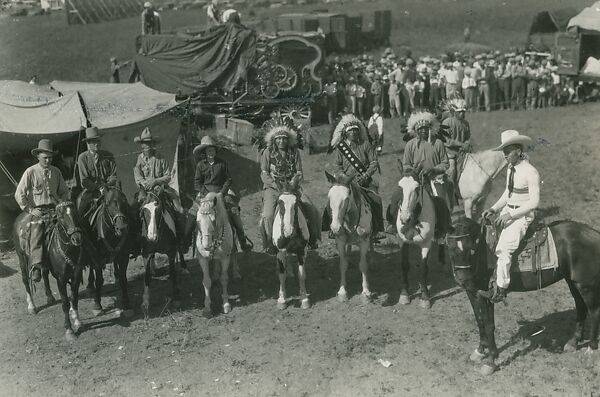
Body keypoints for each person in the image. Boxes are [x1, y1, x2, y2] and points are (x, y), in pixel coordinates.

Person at [479, 130, 539, 303]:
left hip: (523, 216)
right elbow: (508, 193)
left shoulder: (530, 172)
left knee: (504, 249)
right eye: (504, 151)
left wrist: (511, 215)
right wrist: (494, 208)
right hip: (508, 212)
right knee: (489, 237)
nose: (504, 155)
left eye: (508, 151)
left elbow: (534, 202)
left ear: (518, 151)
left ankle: (501, 289)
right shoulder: (511, 169)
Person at [14, 139, 70, 282]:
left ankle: (73, 261)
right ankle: (37, 266)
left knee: (71, 225)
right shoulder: (30, 172)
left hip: (55, 208)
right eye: (45, 157)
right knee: (37, 231)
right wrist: (31, 210)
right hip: (38, 211)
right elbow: (19, 194)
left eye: (50, 157)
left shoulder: (56, 171)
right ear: (38, 156)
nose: (48, 160)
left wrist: (62, 203)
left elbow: (64, 191)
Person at [387, 112, 450, 237]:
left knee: (441, 202)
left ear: (430, 129)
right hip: (413, 180)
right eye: (420, 129)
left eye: (426, 129)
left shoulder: (438, 143)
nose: (423, 131)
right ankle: (393, 224)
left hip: (434, 179)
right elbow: (406, 164)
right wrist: (413, 171)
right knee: (396, 197)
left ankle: (442, 227)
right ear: (415, 131)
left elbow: (445, 163)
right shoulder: (410, 145)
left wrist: (433, 169)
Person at [260, 125, 321, 254]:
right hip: (273, 188)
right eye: (279, 139)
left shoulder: (294, 152)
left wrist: (293, 183)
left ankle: (313, 238)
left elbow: (299, 172)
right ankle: (269, 243)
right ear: (274, 140)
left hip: (293, 188)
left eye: (284, 138)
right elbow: (264, 173)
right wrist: (275, 185)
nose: (282, 141)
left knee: (310, 208)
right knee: (268, 214)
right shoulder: (267, 152)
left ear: (289, 140)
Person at [186, 136, 253, 252]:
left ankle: (243, 241)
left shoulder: (222, 163)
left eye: (212, 150)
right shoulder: (200, 165)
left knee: (234, 212)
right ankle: (186, 242)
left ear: (215, 151)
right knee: (192, 213)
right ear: (204, 152)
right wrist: (206, 194)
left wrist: (222, 193)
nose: (210, 152)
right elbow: (197, 183)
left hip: (221, 192)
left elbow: (228, 180)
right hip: (204, 193)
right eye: (208, 150)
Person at [331, 114, 384, 237]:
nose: (354, 133)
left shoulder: (366, 145)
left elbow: (374, 162)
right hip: (346, 183)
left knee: (377, 199)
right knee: (333, 200)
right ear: (346, 133)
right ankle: (333, 228)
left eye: (356, 130)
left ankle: (377, 229)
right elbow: (337, 166)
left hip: (364, 182)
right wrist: (343, 177)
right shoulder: (341, 148)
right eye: (351, 131)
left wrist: (365, 175)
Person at [132, 127, 183, 248]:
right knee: (133, 210)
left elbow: (167, 176)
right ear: (141, 146)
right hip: (145, 191)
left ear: (153, 144)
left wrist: (155, 181)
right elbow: (137, 177)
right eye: (145, 144)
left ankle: (179, 238)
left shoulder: (161, 158)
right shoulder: (138, 160)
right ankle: (136, 240)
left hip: (161, 189)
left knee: (178, 208)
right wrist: (145, 184)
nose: (147, 146)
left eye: (149, 143)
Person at [76, 126, 119, 232]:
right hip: (90, 191)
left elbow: (113, 175)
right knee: (81, 210)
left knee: (123, 204)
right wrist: (98, 187)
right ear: (88, 143)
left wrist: (107, 186)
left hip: (108, 189)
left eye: (98, 141)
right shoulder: (82, 157)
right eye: (93, 142)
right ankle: (84, 234)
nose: (96, 144)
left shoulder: (108, 155)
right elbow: (84, 180)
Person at [442, 98, 471, 209]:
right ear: (454, 111)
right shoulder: (447, 123)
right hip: (450, 154)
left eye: (464, 111)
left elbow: (468, 136)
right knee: (452, 172)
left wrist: (467, 144)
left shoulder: (466, 123)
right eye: (460, 112)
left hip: (463, 153)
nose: (462, 114)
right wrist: (460, 144)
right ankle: (451, 197)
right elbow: (445, 140)